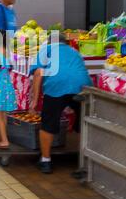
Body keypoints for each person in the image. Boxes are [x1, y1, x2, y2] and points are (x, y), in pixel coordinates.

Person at [30, 33, 93, 174]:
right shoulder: (74, 51)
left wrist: (34, 101)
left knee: (49, 123)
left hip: (57, 85)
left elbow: (38, 73)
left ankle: (45, 161)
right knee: (84, 122)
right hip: (83, 86)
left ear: (49, 42)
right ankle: (84, 159)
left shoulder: (46, 49)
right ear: (66, 43)